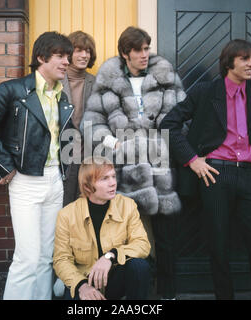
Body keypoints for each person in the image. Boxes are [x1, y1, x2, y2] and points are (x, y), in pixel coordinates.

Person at [160, 39, 251, 300]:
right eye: (245, 59)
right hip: (215, 176)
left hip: (249, 176)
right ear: (228, 63)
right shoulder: (205, 92)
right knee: (218, 245)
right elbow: (169, 124)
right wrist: (192, 160)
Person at [81, 26, 186, 299]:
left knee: (166, 242)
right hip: (124, 174)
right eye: (138, 50)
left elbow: (183, 119)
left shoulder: (165, 78)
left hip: (162, 173)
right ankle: (124, 294)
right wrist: (115, 145)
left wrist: (164, 145)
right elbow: (91, 125)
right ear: (125, 53)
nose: (144, 54)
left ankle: (167, 294)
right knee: (121, 240)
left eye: (147, 48)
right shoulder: (107, 81)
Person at [0, 31, 74, 300]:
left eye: (68, 57)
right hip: (26, 181)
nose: (66, 62)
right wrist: (6, 164)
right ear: (41, 57)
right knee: (27, 257)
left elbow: (66, 136)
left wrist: (70, 166)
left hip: (54, 181)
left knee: (45, 257)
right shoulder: (12, 91)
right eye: (60, 56)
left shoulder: (61, 96)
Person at [53, 156, 151, 300]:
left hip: (114, 279)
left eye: (113, 176)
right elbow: (61, 260)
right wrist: (82, 285)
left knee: (139, 266)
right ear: (87, 186)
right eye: (104, 179)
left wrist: (111, 256)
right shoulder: (67, 215)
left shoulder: (127, 206)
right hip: (84, 281)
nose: (113, 183)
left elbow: (143, 245)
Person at [62, 30, 96, 206]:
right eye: (78, 50)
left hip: (88, 155)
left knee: (84, 207)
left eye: (88, 51)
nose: (84, 55)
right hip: (61, 158)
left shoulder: (96, 83)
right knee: (63, 207)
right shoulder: (55, 82)